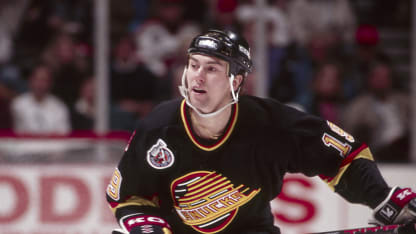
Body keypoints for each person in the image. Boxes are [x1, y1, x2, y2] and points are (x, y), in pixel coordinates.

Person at [106, 29, 416, 234]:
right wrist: (145, 226)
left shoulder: (270, 124)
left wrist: (381, 196)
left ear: (236, 81)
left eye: (212, 68)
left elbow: (342, 156)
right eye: (193, 65)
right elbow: (128, 196)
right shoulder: (158, 128)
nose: (197, 77)